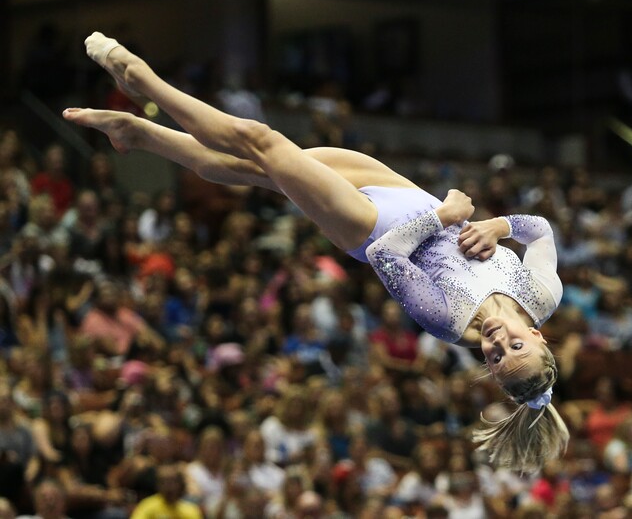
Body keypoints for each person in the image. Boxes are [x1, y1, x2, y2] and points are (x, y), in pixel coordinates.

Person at [63, 32, 568, 472]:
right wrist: (499, 224)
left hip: (365, 224)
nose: (498, 343)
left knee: (261, 142)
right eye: (514, 348)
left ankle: (139, 81)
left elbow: (388, 257)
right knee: (252, 170)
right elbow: (541, 231)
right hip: (404, 192)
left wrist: (449, 215)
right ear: (539, 337)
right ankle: (139, 134)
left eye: (495, 358)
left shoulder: (451, 322)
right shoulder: (542, 295)